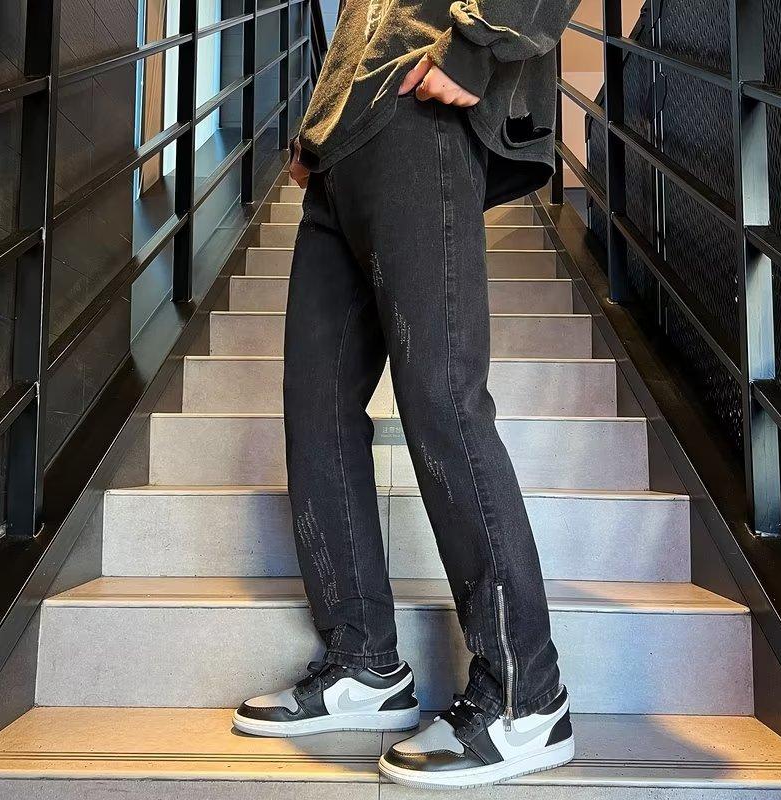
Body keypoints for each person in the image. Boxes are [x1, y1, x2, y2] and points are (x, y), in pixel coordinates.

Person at [233, 0, 581, 788]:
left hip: (417, 114)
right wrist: (318, 126)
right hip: (340, 148)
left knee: (442, 399)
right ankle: (364, 664)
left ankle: (527, 698)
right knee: (315, 410)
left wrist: (477, 45)